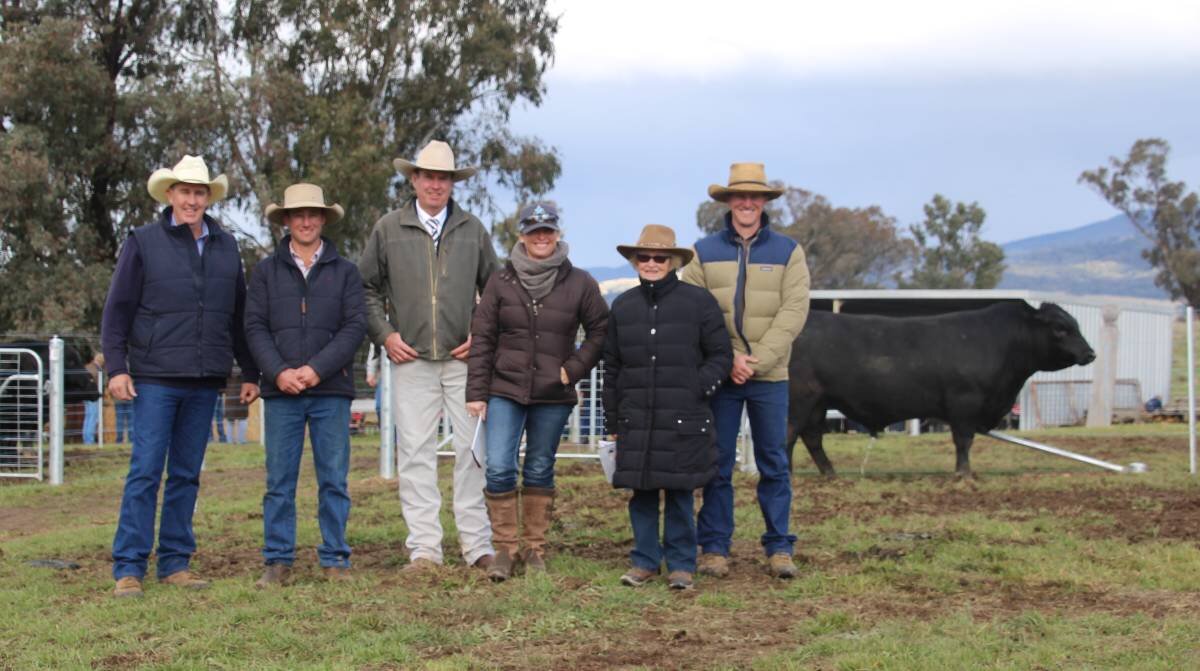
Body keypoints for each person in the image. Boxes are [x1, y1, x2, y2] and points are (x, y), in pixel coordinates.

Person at [101, 155, 260, 598]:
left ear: (208, 197)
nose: (192, 200)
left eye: (199, 192)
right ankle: (129, 566)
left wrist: (248, 370)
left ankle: (175, 562)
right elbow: (117, 310)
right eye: (184, 191)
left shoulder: (227, 246)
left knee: (187, 473)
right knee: (146, 471)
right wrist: (117, 367)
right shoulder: (142, 242)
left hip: (206, 377)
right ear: (169, 194)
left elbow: (238, 312)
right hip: (154, 377)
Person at [359, 140, 500, 571]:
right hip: (410, 360)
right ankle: (424, 548)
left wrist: (480, 334)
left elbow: (495, 292)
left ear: (453, 183)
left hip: (464, 360)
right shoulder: (388, 229)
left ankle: (477, 546)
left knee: (471, 451)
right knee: (416, 451)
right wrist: (385, 335)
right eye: (428, 176)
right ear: (415, 180)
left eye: (444, 178)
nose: (436, 184)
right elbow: (365, 289)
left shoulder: (473, 230)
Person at [466, 202, 608, 581]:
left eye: (547, 230)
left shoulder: (580, 282)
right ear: (522, 236)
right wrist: (476, 392)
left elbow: (600, 333)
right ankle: (505, 549)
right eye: (533, 231)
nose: (541, 237)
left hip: (553, 389)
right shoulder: (501, 281)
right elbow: (482, 339)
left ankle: (534, 549)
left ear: (558, 234)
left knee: (540, 466)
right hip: (504, 388)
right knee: (498, 466)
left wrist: (573, 369)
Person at [682, 162, 811, 579]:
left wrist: (757, 359)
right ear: (729, 201)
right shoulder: (703, 252)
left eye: (755, 196)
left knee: (774, 460)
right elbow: (696, 313)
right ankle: (715, 547)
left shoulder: (789, 252)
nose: (748, 203)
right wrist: (729, 359)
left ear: (765, 202)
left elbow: (794, 311)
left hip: (770, 376)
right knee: (717, 463)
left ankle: (779, 547)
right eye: (741, 196)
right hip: (722, 376)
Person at [245, 182, 366, 586]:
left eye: (313, 214)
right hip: (281, 393)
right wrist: (278, 372)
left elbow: (354, 328)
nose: (307, 221)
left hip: (330, 391)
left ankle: (335, 557)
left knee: (334, 478)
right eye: (299, 215)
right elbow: (255, 327)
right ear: (286, 220)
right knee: (279, 480)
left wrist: (316, 370)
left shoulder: (346, 271)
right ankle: (277, 560)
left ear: (323, 219)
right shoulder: (264, 272)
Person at [602, 224, 732, 590]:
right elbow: (612, 366)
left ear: (674, 261)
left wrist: (697, 388)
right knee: (641, 492)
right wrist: (612, 418)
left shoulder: (699, 302)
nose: (652, 263)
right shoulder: (623, 307)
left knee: (679, 492)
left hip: (684, 416)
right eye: (645, 257)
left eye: (660, 257)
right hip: (636, 416)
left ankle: (681, 564)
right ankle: (644, 561)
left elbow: (721, 355)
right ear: (635, 261)